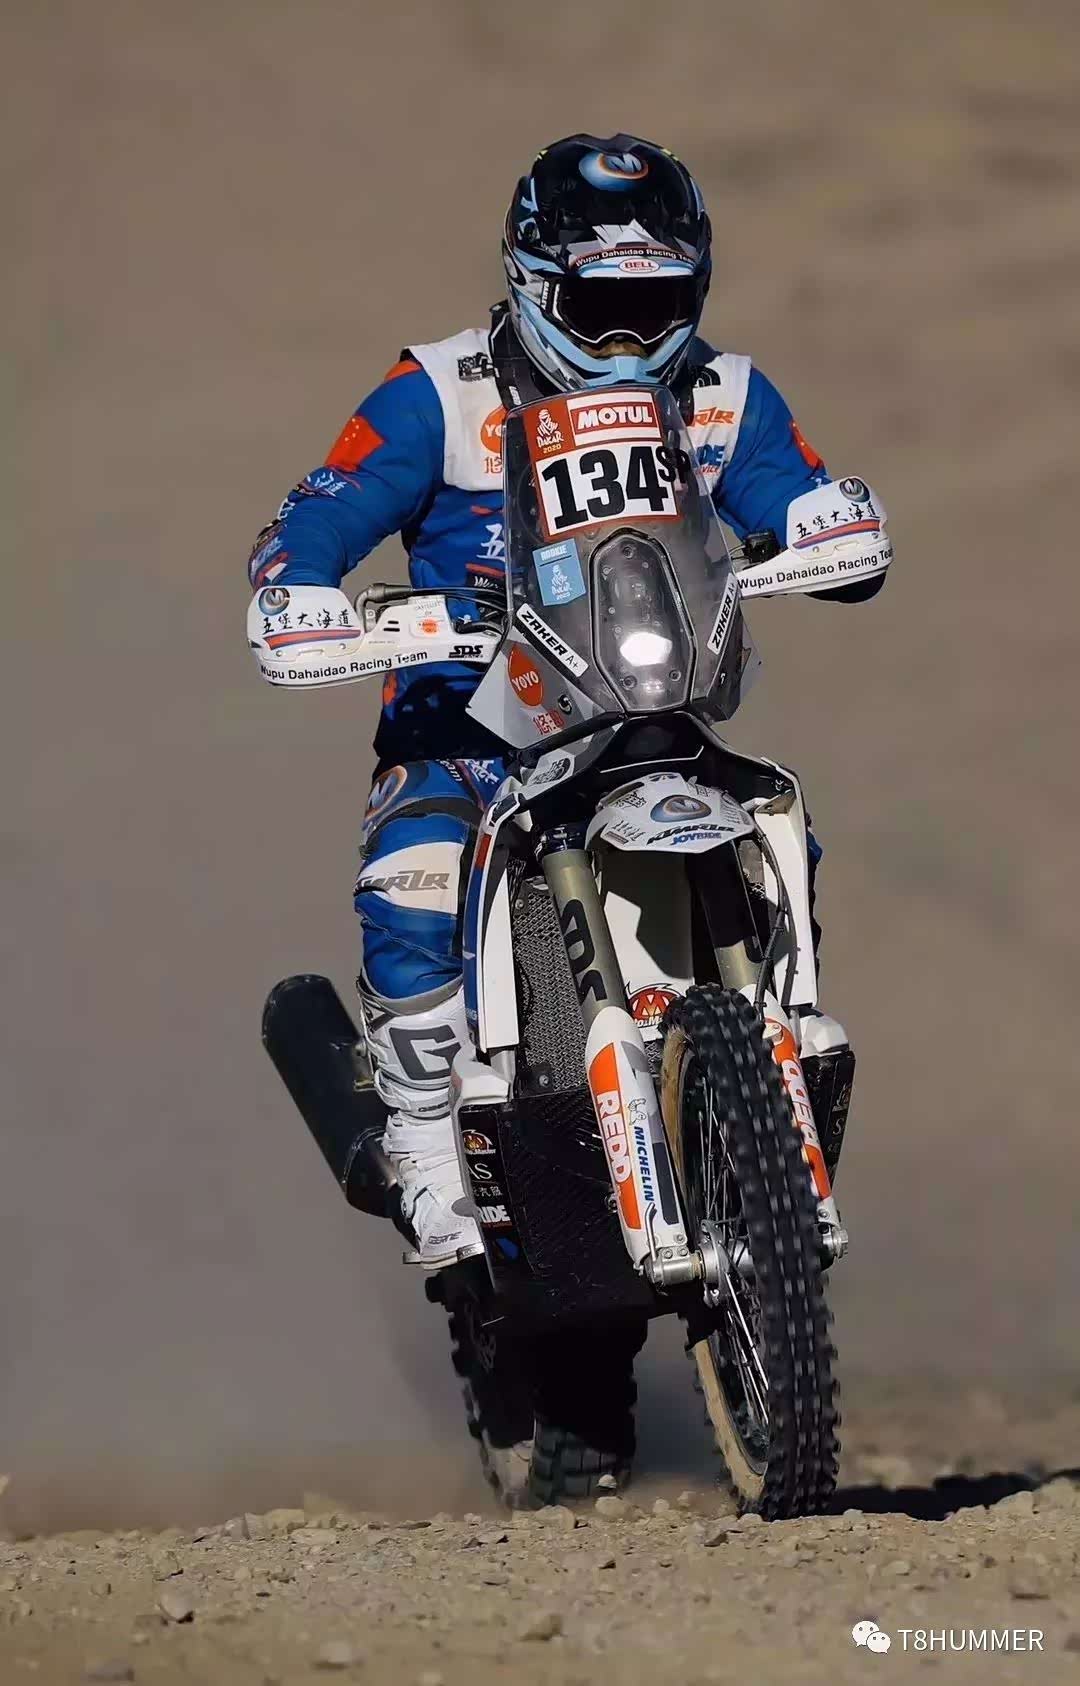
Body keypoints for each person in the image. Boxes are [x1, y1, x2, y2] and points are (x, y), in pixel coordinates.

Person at [247, 133, 885, 1269]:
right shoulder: (439, 393)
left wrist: (829, 527)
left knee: (779, 829)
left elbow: (797, 496)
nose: (632, 339)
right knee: (415, 870)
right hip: (471, 724)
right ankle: (428, 1153)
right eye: (603, 308)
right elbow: (317, 518)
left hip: (646, 706)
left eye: (659, 304)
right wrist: (297, 593)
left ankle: (770, 1044)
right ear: (535, 284)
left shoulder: (722, 394)